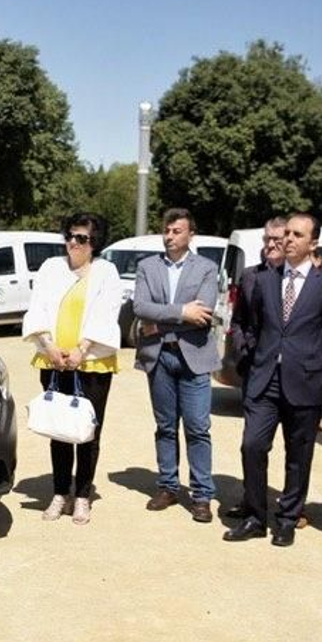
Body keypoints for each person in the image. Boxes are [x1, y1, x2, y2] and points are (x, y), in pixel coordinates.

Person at [224, 212, 322, 546]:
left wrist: (315, 365)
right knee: (252, 445)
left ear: (313, 243)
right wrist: (249, 356)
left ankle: (288, 518)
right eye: (286, 234)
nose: (288, 240)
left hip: (305, 382)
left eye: (297, 235)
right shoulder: (265, 279)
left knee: (298, 454)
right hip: (264, 379)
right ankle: (254, 516)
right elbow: (249, 323)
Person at [22, 212, 123, 525]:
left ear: (94, 243)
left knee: (88, 430)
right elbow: (37, 307)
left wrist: (82, 349)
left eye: (81, 238)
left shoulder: (106, 271)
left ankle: (82, 495)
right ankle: (59, 492)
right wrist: (49, 346)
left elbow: (108, 312)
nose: (73, 243)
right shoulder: (52, 268)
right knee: (60, 429)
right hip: (53, 360)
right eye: (70, 236)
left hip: (92, 363)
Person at [132, 208, 220, 522]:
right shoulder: (147, 266)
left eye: (177, 231)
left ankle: (201, 495)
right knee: (165, 426)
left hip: (194, 358)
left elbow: (204, 316)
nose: (170, 237)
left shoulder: (207, 268)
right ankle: (168, 486)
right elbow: (140, 307)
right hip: (159, 358)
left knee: (198, 427)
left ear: (190, 235)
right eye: (167, 231)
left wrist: (158, 323)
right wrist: (183, 312)